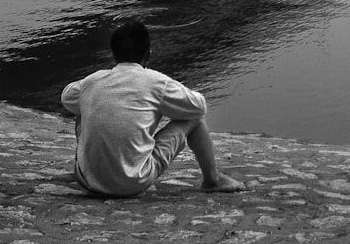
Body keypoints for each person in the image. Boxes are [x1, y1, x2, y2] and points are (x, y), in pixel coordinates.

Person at [61, 21, 244, 197]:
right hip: (134, 182)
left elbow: (67, 97)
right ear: (148, 53)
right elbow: (199, 106)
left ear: (113, 54)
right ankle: (213, 180)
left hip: (87, 181)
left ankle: (91, 167)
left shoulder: (92, 81)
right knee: (194, 118)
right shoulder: (156, 82)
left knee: (83, 111)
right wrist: (162, 106)